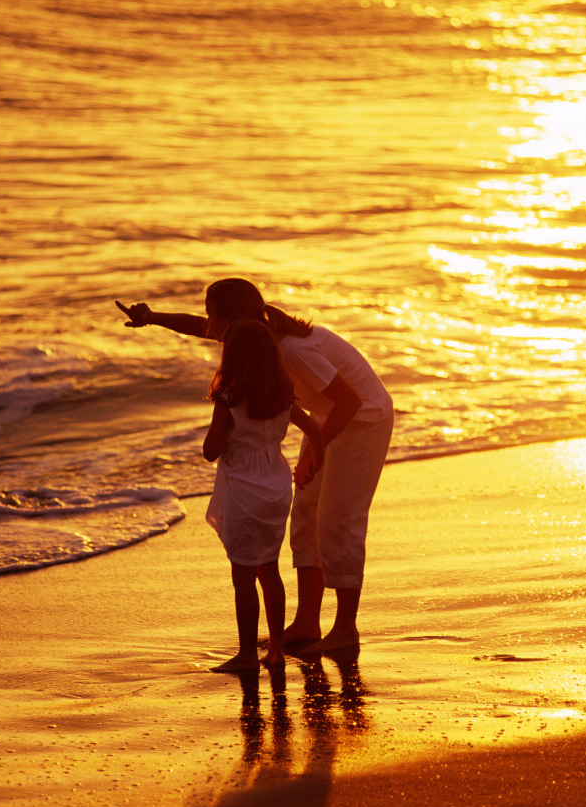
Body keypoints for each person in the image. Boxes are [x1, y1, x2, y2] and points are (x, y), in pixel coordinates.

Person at [116, 278, 393, 652]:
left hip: (363, 420)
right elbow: (198, 327)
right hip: (327, 419)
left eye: (212, 314)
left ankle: (346, 630)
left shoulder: (291, 350)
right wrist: (152, 317)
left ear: (232, 319)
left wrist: (314, 448)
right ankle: (307, 623)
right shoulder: (255, 337)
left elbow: (350, 401)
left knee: (337, 522)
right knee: (306, 518)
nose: (207, 322)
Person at [202, 318, 323, 673]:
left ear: (232, 357)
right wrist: (313, 468)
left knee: (243, 577)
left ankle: (245, 655)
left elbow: (211, 451)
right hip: (275, 489)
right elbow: (314, 430)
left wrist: (224, 438)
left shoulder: (228, 399)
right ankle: (277, 650)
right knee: (269, 570)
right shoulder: (282, 398)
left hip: (242, 490)